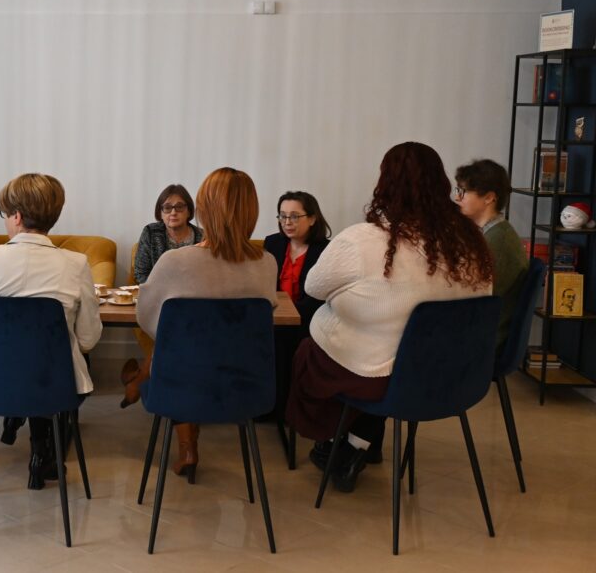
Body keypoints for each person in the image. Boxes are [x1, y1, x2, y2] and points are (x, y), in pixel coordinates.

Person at [287, 142, 493, 493]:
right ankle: (359, 443)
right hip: (452, 376)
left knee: (317, 353)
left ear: (384, 184)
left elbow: (313, 287)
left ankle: (337, 445)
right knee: (382, 354)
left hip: (381, 378)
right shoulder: (470, 240)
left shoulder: (362, 240)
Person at [135, 167, 278, 482]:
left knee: (161, 360)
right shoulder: (267, 263)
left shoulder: (175, 261)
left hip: (181, 387)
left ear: (200, 209)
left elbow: (147, 320)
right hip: (246, 389)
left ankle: (137, 382)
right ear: (252, 211)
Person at [0, 173, 102, 490]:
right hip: (52, 385)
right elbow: (88, 340)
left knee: (24, 363)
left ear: (16, 216)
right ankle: (44, 452)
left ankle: (20, 422)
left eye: (4, 214)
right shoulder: (76, 264)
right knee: (57, 366)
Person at [122, 184, 204, 406]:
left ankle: (141, 378)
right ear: (160, 212)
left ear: (189, 211)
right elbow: (141, 273)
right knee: (173, 325)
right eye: (167, 207)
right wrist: (165, 292)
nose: (173, 212)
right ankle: (178, 397)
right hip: (158, 301)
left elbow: (204, 275)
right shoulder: (151, 232)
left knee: (175, 326)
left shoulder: (202, 236)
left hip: (192, 303)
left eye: (179, 207)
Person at [263, 191, 331, 419]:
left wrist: (290, 316)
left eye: (294, 216)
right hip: (275, 318)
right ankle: (269, 406)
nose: (287, 222)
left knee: (283, 340)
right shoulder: (273, 243)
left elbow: (318, 299)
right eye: (282, 216)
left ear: (312, 218)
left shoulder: (326, 250)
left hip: (309, 321)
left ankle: (289, 410)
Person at [454, 159, 529, 351]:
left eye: (463, 191)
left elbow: (473, 297)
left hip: (486, 338)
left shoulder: (499, 240)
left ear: (488, 198)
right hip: (483, 329)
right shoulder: (492, 233)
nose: (457, 197)